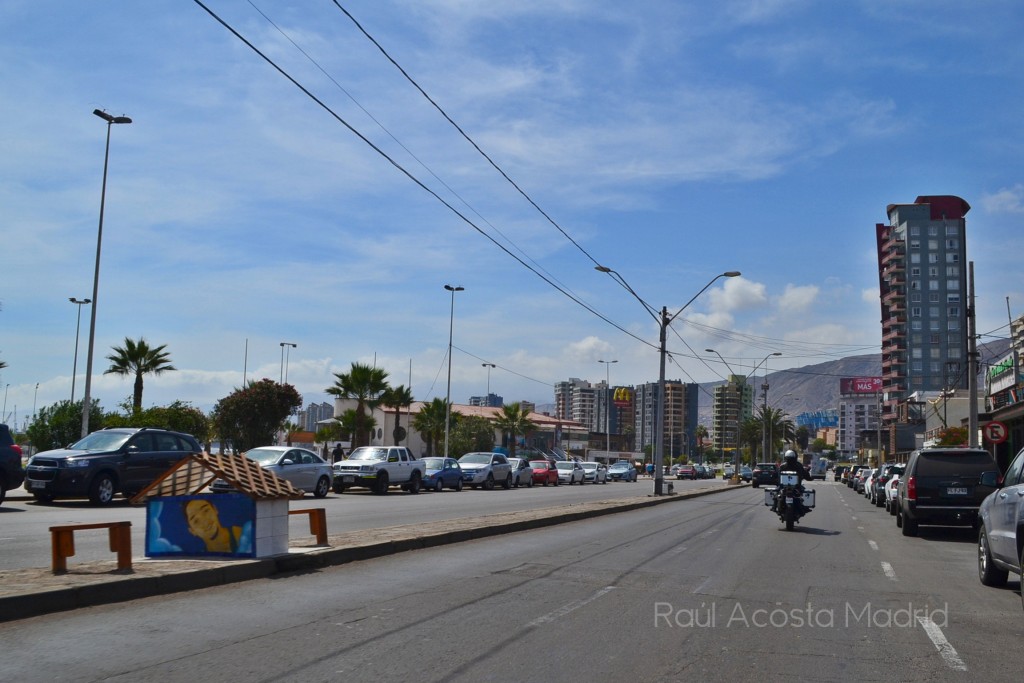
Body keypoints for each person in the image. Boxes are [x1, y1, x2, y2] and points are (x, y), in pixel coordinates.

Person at [184, 498, 251, 554]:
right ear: (192, 531)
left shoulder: (241, 536)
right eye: (196, 521)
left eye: (206, 511)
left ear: (215, 509)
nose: (205, 521)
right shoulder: (201, 555)